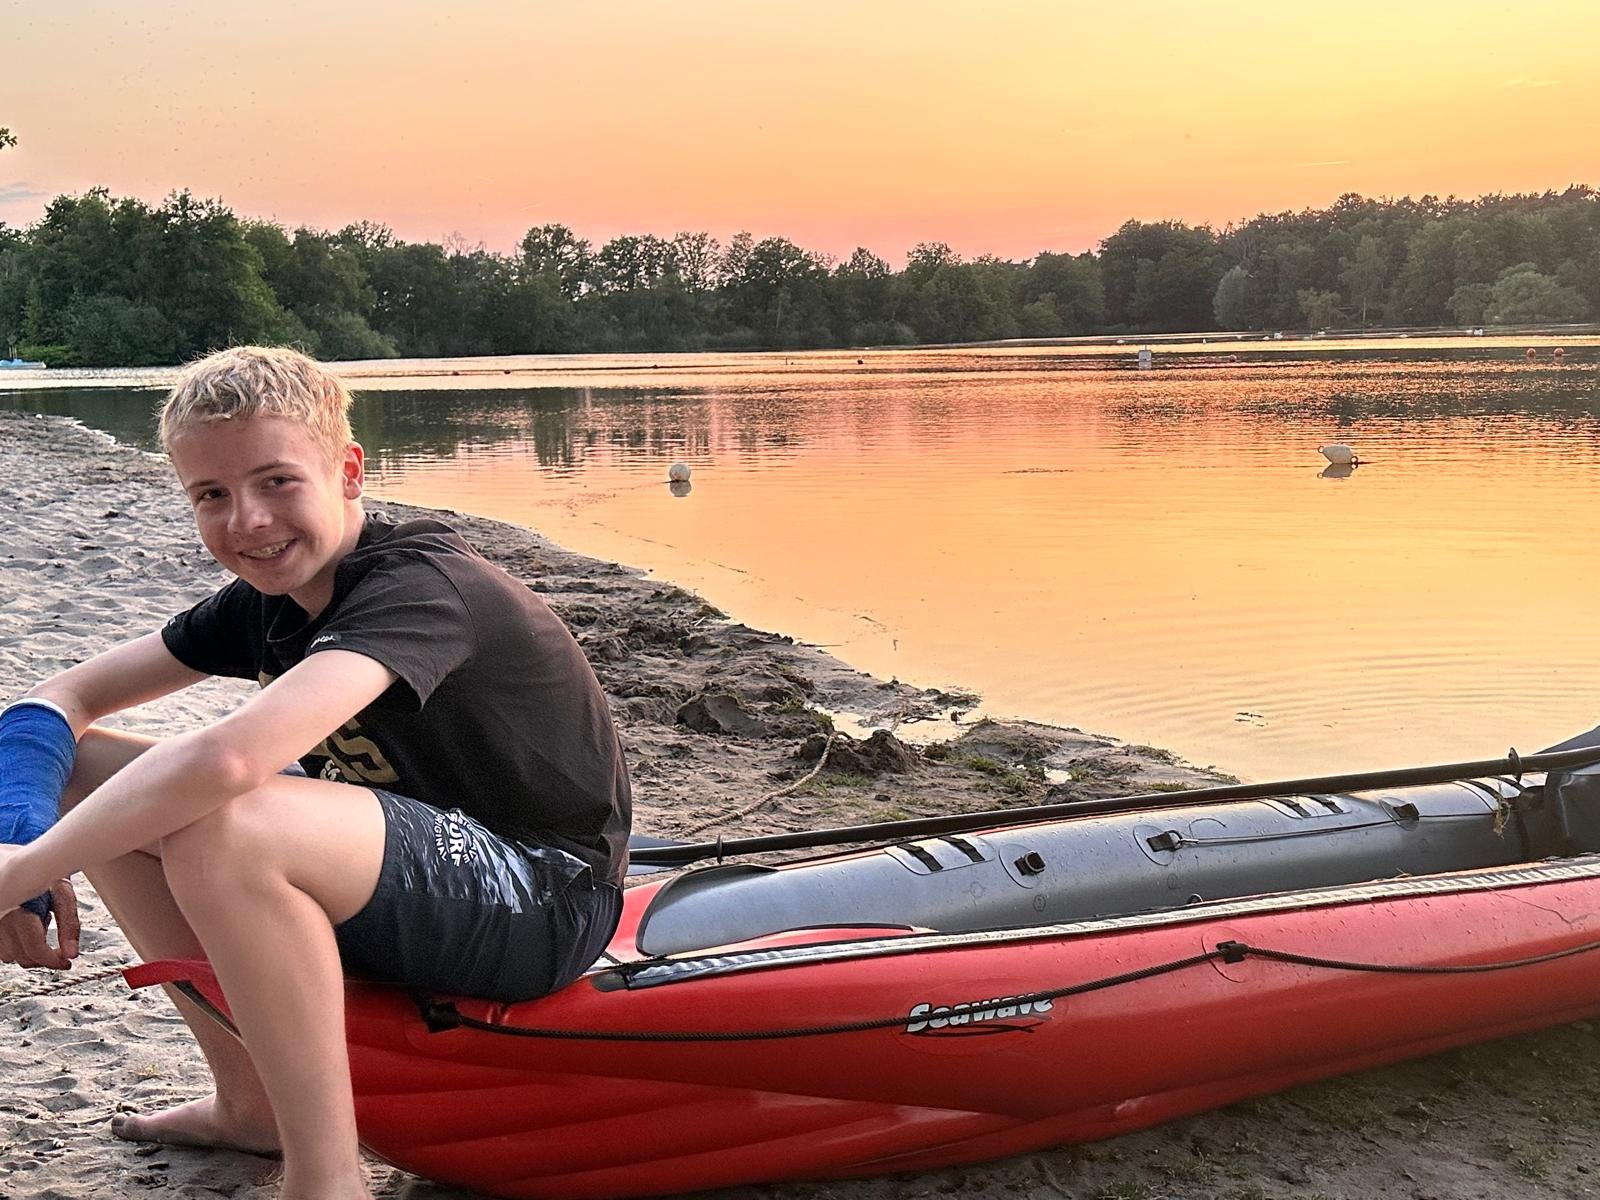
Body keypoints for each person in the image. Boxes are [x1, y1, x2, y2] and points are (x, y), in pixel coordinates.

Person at [0, 346, 631, 1200]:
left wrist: (22, 875)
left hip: (544, 899)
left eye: (277, 482)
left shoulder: (420, 585)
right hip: (406, 878)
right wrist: (21, 822)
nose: (249, 521)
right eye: (212, 496)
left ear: (348, 471)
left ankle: (328, 1180)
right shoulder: (266, 601)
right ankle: (250, 1102)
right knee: (89, 774)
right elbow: (59, 700)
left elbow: (231, 758)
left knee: (227, 817)